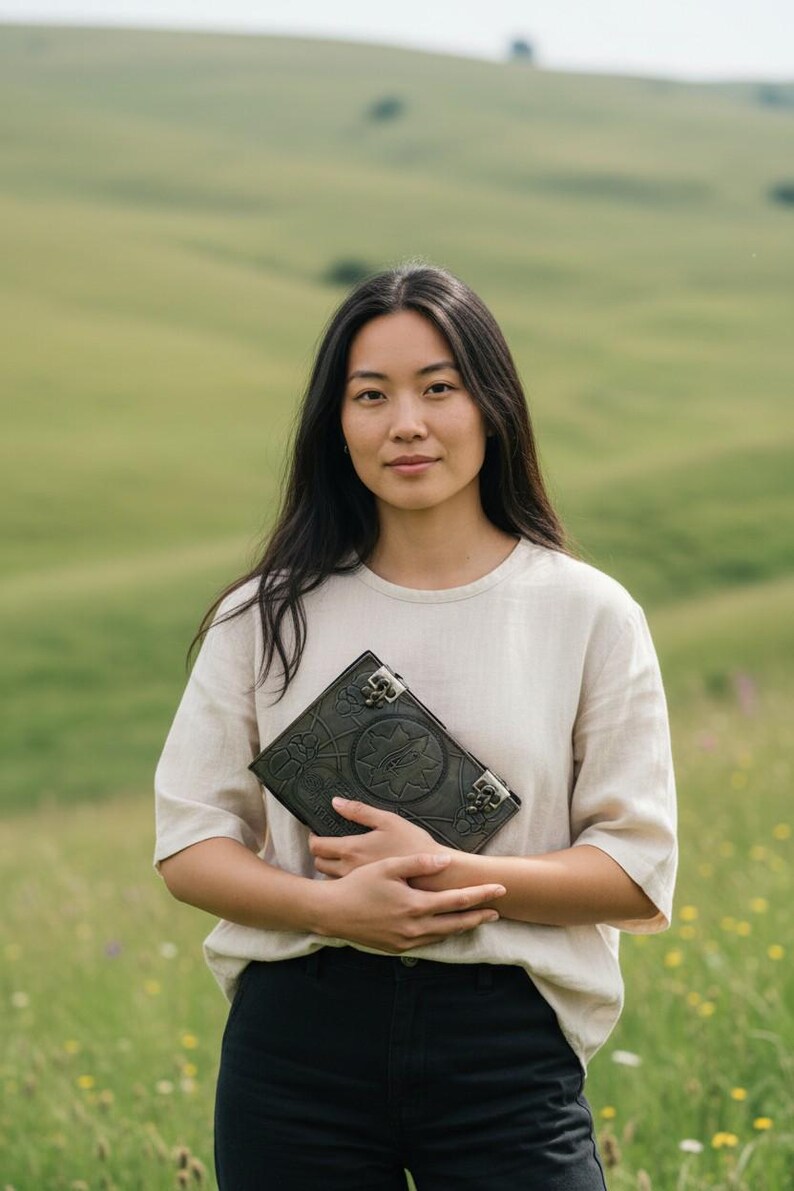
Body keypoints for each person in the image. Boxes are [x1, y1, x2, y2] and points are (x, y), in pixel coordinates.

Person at [153, 260, 678, 1190]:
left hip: (507, 1048)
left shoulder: (588, 612)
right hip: (294, 1049)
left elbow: (635, 875)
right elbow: (191, 842)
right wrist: (331, 907)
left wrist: (447, 879)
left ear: (493, 407)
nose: (407, 422)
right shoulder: (264, 615)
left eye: (440, 387)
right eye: (370, 394)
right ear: (336, 423)